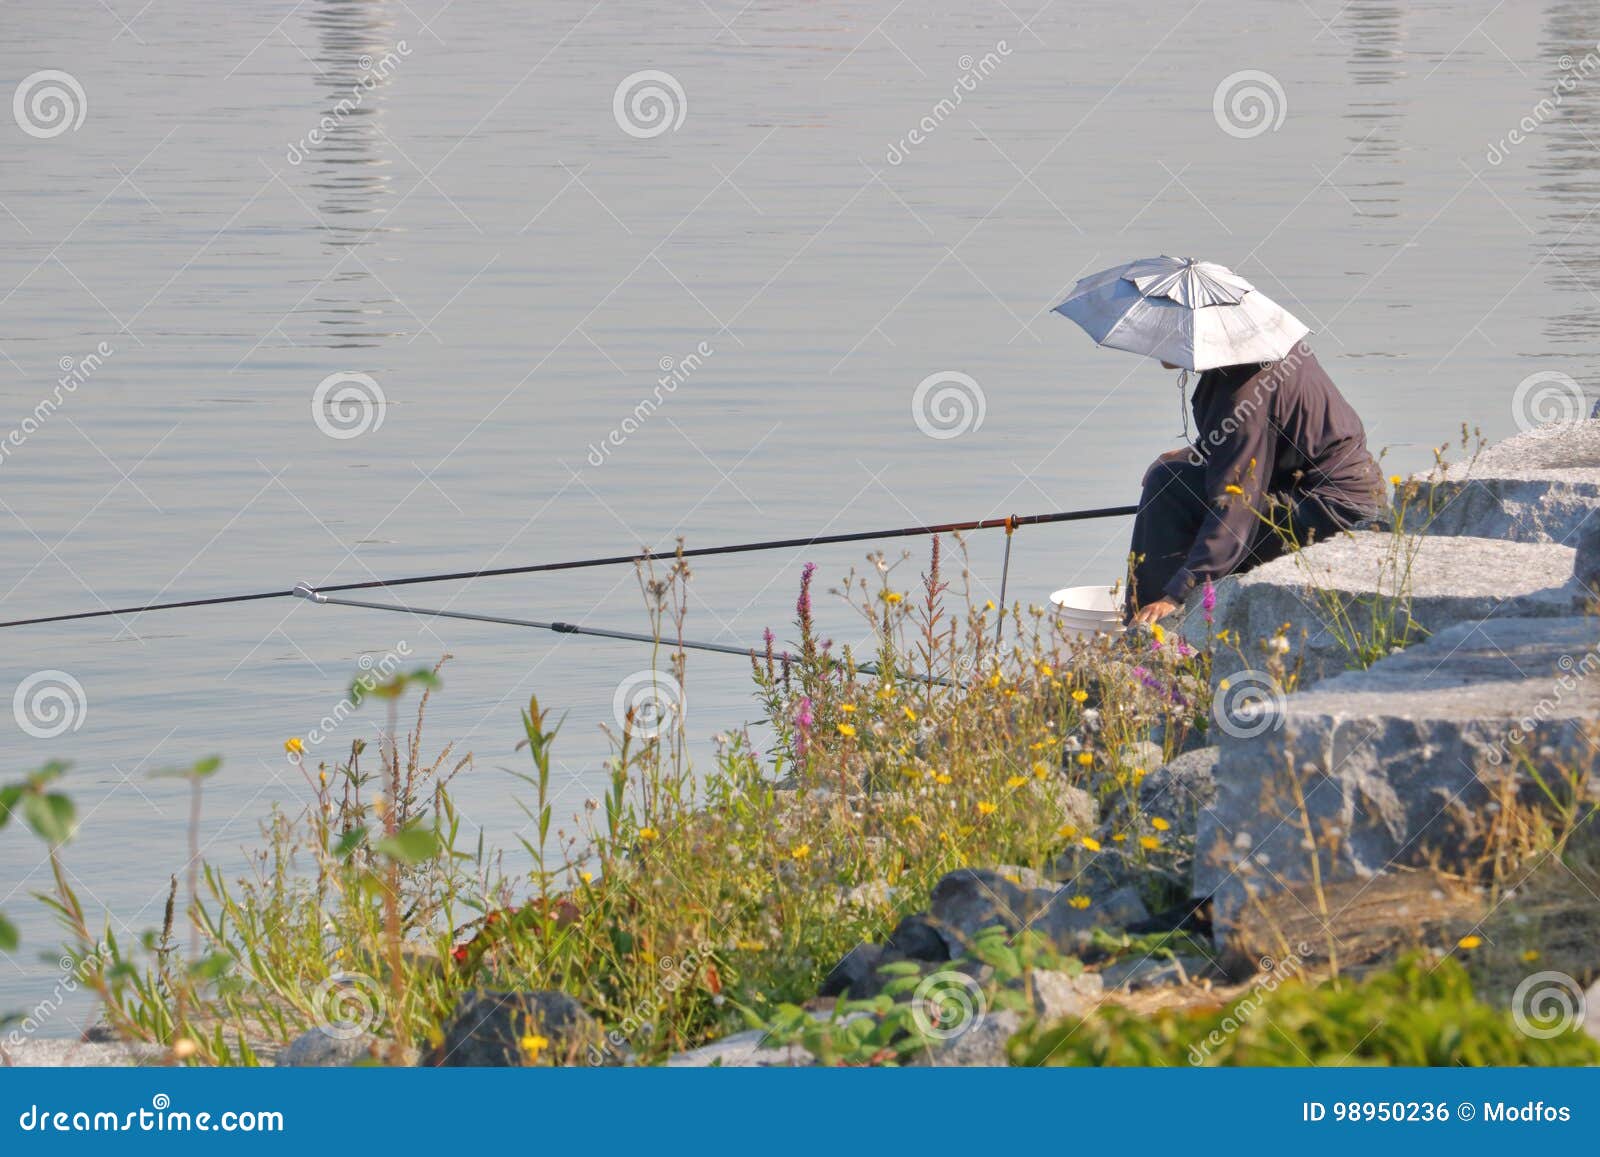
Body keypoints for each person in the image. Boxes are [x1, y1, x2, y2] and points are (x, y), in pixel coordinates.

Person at [1126, 341, 1384, 624]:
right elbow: (1263, 434)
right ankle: (1149, 616)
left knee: (1183, 498)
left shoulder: (1241, 389)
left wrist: (1177, 594)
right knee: (1171, 479)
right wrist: (1198, 452)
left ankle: (1158, 623)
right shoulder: (1257, 351)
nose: (1156, 346)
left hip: (1333, 512)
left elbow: (1236, 509)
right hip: (1310, 489)